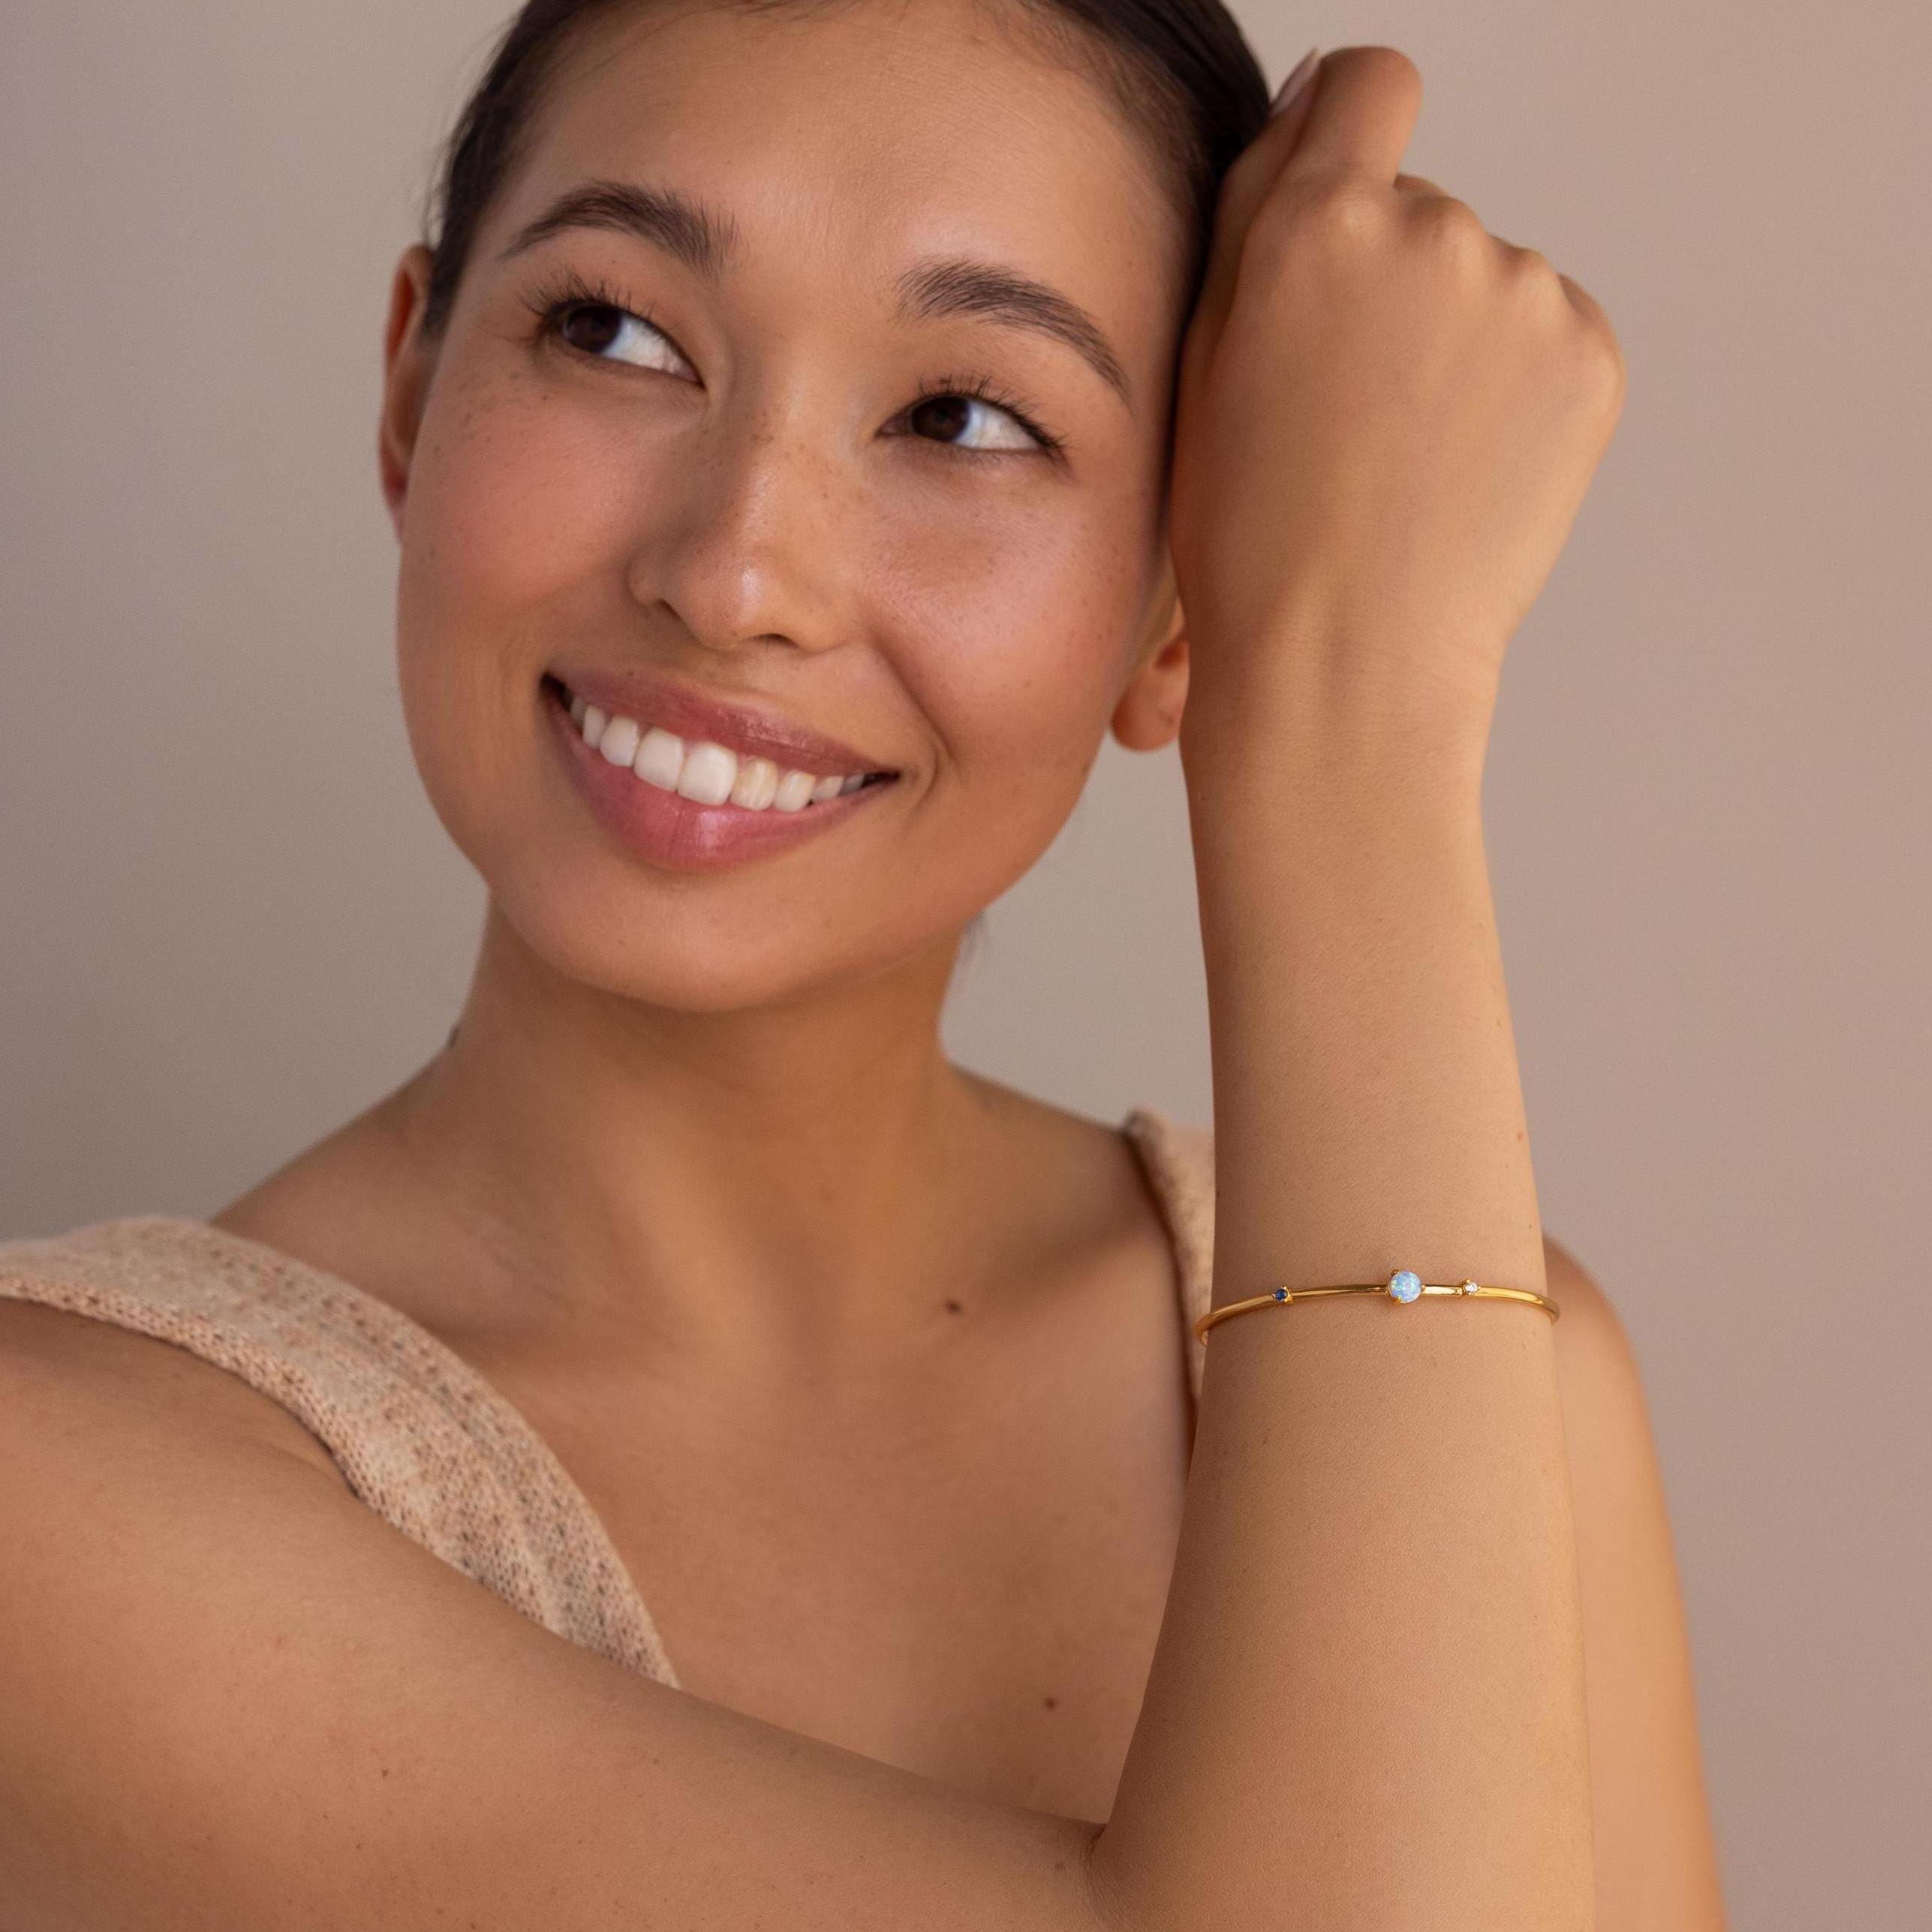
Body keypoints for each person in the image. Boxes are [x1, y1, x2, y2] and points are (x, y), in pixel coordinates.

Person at [0, 4, 1727, 1926]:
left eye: (965, 417)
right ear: (411, 388)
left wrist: (1318, 650)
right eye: (616, 331)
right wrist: (1353, 699)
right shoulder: (42, 1496)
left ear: (1177, 614)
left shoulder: (1519, 1391)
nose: (737, 571)